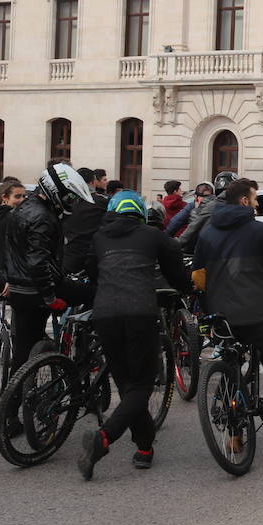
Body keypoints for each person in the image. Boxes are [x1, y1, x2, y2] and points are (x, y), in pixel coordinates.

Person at [76, 192, 192, 480]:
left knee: (128, 384)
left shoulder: (100, 237)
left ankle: (144, 448)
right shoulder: (154, 236)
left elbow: (92, 272)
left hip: (105, 313)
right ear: (140, 212)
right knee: (141, 384)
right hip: (139, 312)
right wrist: (190, 290)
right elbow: (176, 274)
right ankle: (104, 438)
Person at [191, 178, 263, 436]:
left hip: (221, 316)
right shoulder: (259, 231)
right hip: (256, 312)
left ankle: (235, 434)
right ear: (243, 201)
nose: (257, 202)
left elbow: (198, 279)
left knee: (231, 360)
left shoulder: (207, 232)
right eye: (254, 197)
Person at [5, 163, 96, 370]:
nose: (71, 202)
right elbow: (37, 263)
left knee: (24, 352)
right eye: (70, 197)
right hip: (38, 289)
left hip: (20, 288)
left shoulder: (23, 208)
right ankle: (83, 355)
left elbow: (12, 252)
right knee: (96, 293)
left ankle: (16, 399)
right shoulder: (43, 218)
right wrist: (50, 298)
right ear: (56, 192)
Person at [180, 171, 240, 254]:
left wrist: (174, 245)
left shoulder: (211, 206)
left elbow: (192, 229)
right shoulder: (240, 207)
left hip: (212, 255)